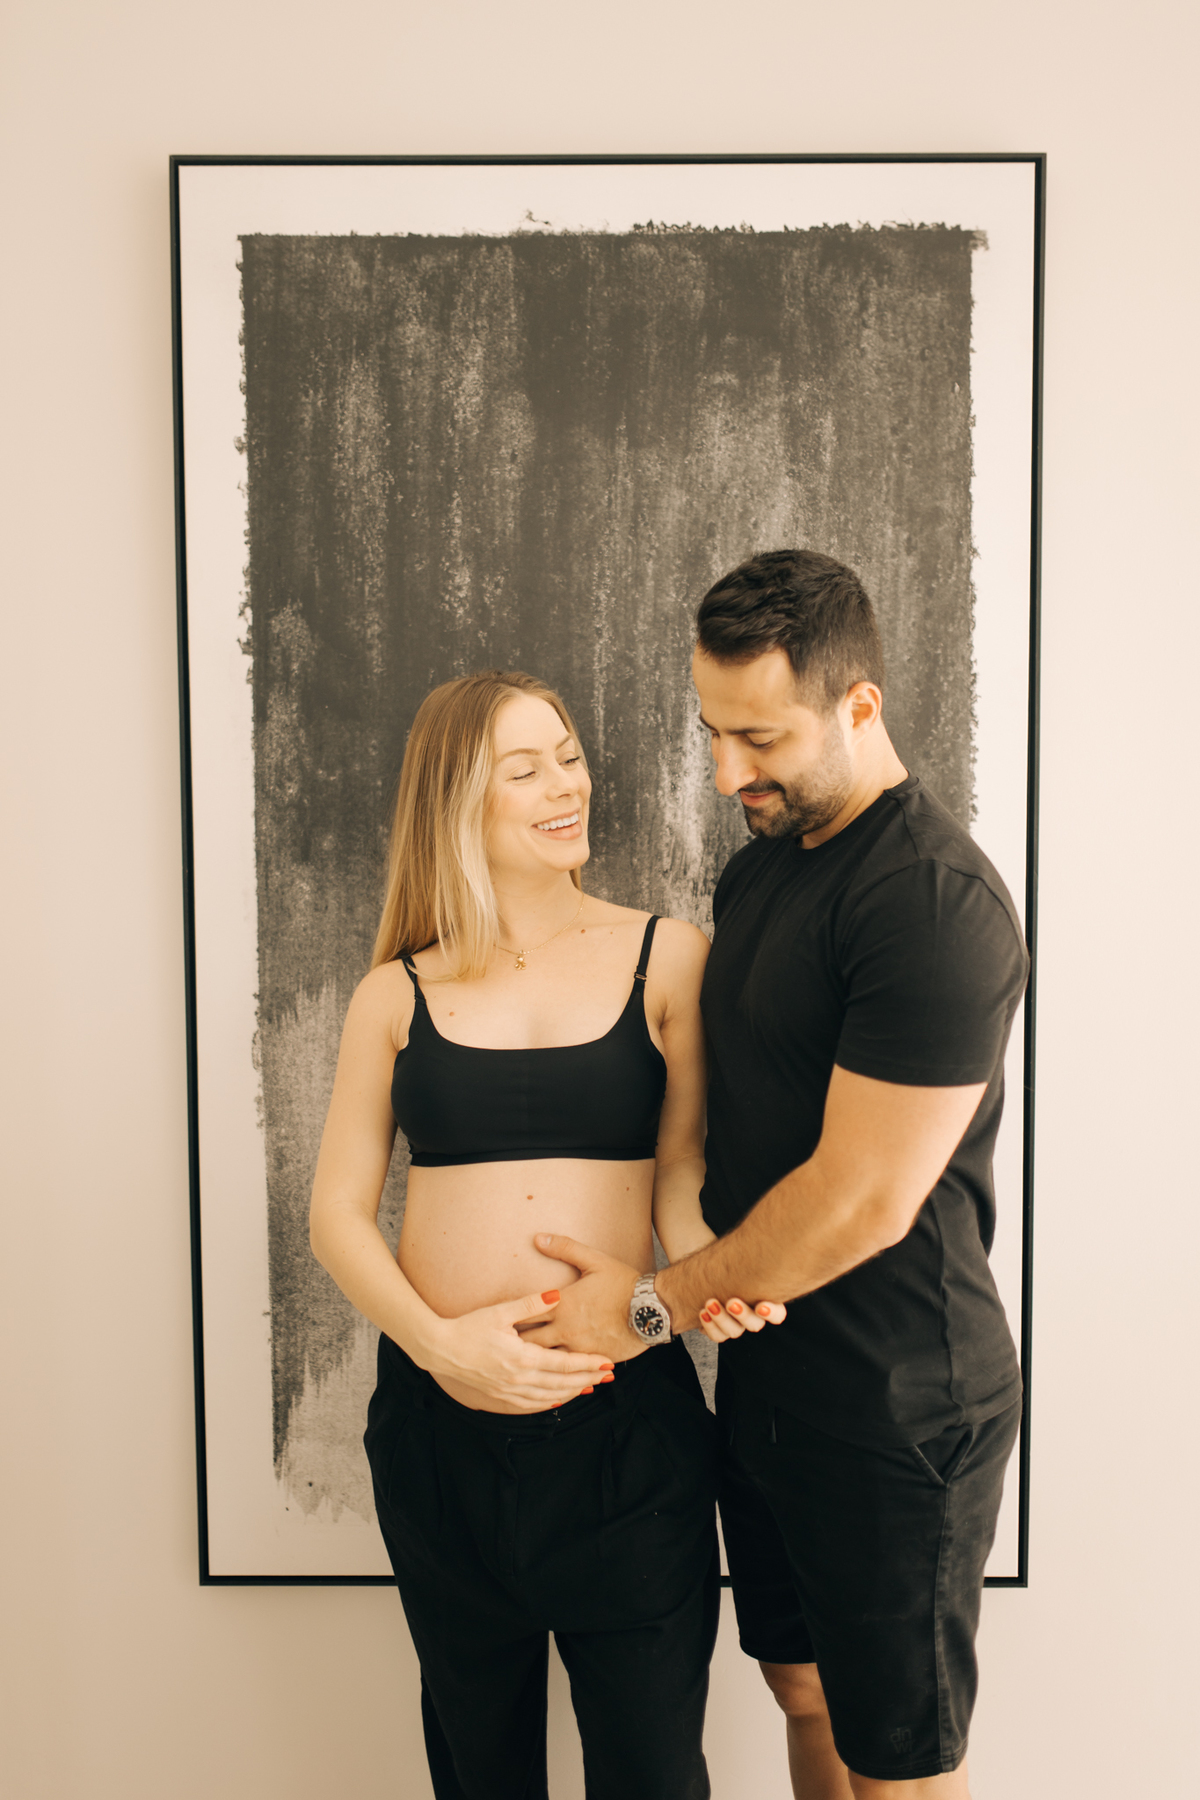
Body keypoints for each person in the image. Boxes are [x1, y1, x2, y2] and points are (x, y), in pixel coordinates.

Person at [530, 551, 1029, 1799]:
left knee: (897, 1755)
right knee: (802, 1689)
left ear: (860, 706)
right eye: (713, 732)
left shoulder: (932, 903)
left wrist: (652, 1308)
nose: (725, 773)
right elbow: (734, 1127)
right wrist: (705, 1274)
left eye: (759, 738)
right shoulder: (761, 868)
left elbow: (862, 1200)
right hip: (768, 1378)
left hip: (897, 1403)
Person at [308, 668, 784, 1800]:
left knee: (654, 1776)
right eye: (526, 770)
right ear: (456, 803)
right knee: (480, 1773)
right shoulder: (392, 994)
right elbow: (335, 1215)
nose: (567, 784)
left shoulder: (668, 955)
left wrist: (714, 1280)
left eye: (568, 756)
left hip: (628, 1433)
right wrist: (441, 1346)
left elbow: (678, 1175)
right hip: (438, 1438)